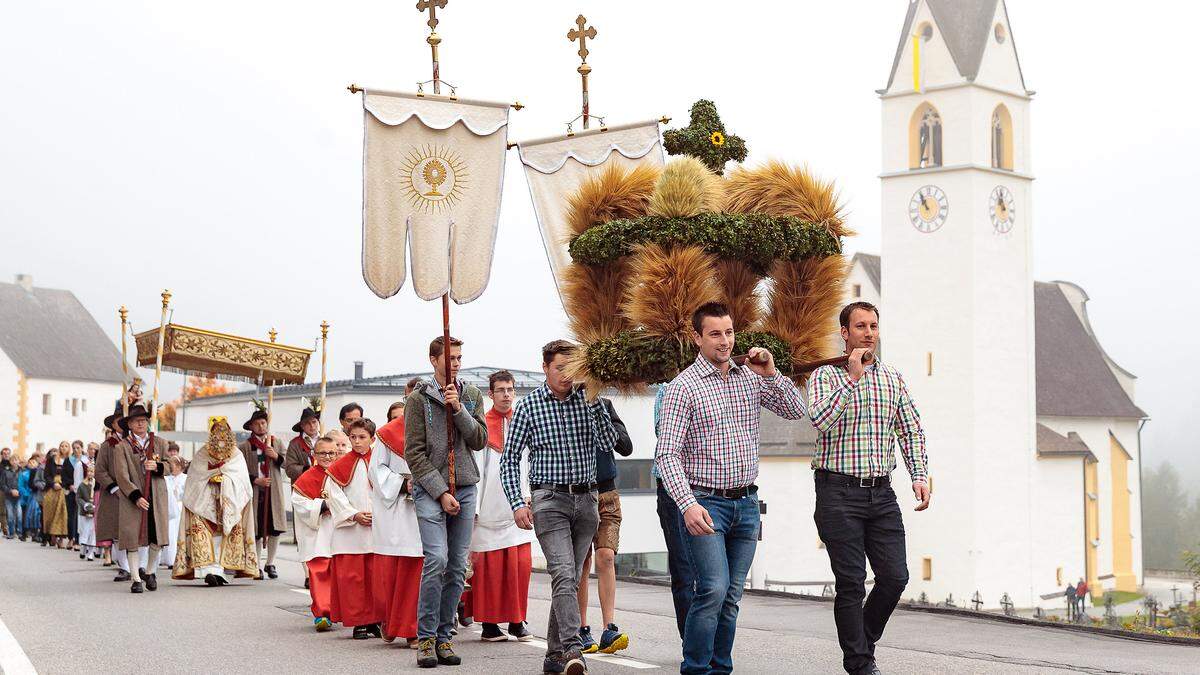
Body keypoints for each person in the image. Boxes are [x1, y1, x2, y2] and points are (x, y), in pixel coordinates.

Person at [657, 302, 807, 675]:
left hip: (747, 504)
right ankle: (695, 669)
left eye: (729, 333)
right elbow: (666, 455)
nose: (724, 342)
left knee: (731, 597)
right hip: (705, 503)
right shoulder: (682, 388)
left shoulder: (750, 378)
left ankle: (720, 669)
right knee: (712, 590)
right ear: (697, 337)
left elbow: (793, 411)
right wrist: (688, 505)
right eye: (714, 334)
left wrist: (771, 373)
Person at [808, 301, 929, 675]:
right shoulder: (825, 376)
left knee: (895, 577)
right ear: (844, 333)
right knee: (851, 582)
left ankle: (862, 637)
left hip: (881, 493)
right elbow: (819, 420)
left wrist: (919, 474)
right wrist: (853, 378)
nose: (868, 332)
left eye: (873, 326)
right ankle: (860, 663)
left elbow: (910, 429)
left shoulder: (892, 378)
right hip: (837, 492)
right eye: (860, 326)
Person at [503, 340, 618, 675]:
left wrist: (595, 400)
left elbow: (609, 444)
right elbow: (509, 460)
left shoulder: (589, 400)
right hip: (549, 500)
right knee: (564, 573)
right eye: (559, 369)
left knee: (567, 578)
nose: (566, 375)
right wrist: (516, 502)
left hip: (587, 501)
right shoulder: (528, 407)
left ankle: (553, 656)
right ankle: (572, 649)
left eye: (572, 369)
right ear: (545, 368)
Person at [404, 335, 488, 668]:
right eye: (450, 358)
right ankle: (424, 637)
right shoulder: (418, 399)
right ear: (433, 359)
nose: (456, 363)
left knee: (457, 566)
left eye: (459, 357)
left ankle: (444, 636)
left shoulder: (471, 394)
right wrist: (441, 492)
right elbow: (414, 452)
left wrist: (459, 410)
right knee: (436, 558)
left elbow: (480, 439)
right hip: (430, 489)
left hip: (466, 486)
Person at [468, 371, 534, 643]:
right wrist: (475, 506)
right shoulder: (482, 424)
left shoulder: (525, 421)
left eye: (510, 389)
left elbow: (532, 460)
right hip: (489, 505)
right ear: (490, 394)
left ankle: (517, 620)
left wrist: (531, 495)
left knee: (520, 565)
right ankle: (490, 624)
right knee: (490, 569)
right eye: (500, 390)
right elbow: (476, 467)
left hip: (519, 503)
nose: (506, 394)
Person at [576, 394, 633, 654]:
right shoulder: (567, 405)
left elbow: (626, 446)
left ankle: (609, 626)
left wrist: (601, 416)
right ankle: (581, 628)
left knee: (606, 557)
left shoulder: (606, 405)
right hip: (579, 493)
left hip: (607, 494)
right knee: (582, 562)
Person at [172, 416, 258, 585]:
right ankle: (208, 570)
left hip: (230, 501)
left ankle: (221, 571)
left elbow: (242, 481)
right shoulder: (202, 453)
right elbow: (195, 477)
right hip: (204, 502)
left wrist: (225, 480)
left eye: (223, 434)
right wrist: (210, 479)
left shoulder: (236, 455)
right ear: (211, 436)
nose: (220, 438)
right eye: (216, 434)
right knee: (207, 534)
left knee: (226, 534)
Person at [327, 418, 383, 639]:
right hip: (351, 531)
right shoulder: (339, 466)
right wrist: (353, 514)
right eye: (353, 437)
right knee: (354, 579)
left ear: (372, 438)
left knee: (375, 578)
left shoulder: (379, 463)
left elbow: (387, 491)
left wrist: (380, 515)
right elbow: (334, 495)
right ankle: (359, 621)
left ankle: (375, 620)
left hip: (377, 528)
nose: (357, 442)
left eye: (362, 437)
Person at [373, 408, 425, 645]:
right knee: (400, 571)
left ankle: (414, 628)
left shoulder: (437, 427)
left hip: (430, 506)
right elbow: (376, 470)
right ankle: (393, 621)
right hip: (398, 511)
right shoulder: (387, 434)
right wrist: (403, 484)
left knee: (422, 570)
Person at [112, 403, 172, 593]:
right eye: (136, 421)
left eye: (144, 420)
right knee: (133, 538)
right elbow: (121, 475)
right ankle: (136, 579)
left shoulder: (160, 443)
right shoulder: (123, 447)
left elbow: (171, 465)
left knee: (156, 537)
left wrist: (158, 467)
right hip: (134, 499)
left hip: (156, 495)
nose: (141, 423)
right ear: (129, 424)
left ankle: (150, 571)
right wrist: (135, 495)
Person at [652, 385, 694, 640]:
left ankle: (710, 638)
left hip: (709, 485)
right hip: (671, 487)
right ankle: (691, 640)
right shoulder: (666, 391)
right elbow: (665, 433)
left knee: (714, 576)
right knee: (683, 568)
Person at [292, 436, 342, 631]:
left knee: (340, 574)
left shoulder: (342, 473)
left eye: (331, 453)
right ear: (314, 455)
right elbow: (299, 503)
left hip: (340, 531)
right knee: (320, 573)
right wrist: (322, 505)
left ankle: (340, 611)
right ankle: (322, 613)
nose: (327, 457)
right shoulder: (307, 478)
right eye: (322, 453)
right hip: (319, 532)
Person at [238, 403, 287, 579]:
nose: (261, 426)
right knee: (256, 530)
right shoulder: (244, 446)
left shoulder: (276, 442)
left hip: (273, 492)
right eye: (257, 423)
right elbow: (238, 471)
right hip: (255, 492)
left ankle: (270, 563)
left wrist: (276, 456)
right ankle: (256, 564)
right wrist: (255, 480)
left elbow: (288, 464)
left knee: (275, 528)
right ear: (251, 426)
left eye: (264, 423)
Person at [95, 406, 128, 577]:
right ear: (113, 425)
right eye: (118, 421)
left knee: (132, 530)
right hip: (113, 493)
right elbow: (100, 471)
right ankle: (123, 566)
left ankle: (138, 566)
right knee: (116, 531)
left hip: (133, 492)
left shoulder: (134, 442)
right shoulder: (107, 446)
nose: (122, 424)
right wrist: (113, 487)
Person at [285, 401, 323, 484]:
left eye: (314, 422)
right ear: (302, 426)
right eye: (307, 423)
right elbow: (289, 469)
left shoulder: (325, 440)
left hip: (323, 484)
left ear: (318, 422)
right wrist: (307, 469)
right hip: (302, 485)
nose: (312, 426)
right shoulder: (295, 444)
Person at [42, 447, 69, 548]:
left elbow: (69, 476)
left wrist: (62, 485)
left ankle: (61, 538)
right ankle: (51, 535)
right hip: (52, 488)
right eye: (62, 446)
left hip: (63, 489)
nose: (63, 448)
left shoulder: (68, 461)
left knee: (62, 513)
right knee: (51, 512)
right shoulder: (51, 460)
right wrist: (53, 484)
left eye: (66, 446)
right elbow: (46, 475)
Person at [162, 455, 185, 569]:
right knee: (170, 534)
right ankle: (170, 559)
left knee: (180, 533)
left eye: (173, 465)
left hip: (181, 507)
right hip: (170, 508)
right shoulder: (167, 479)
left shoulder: (185, 478)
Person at [66, 440, 85, 550]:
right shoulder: (69, 461)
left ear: (82, 448)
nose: (76, 450)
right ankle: (70, 538)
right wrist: (70, 485)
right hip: (71, 491)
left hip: (83, 492)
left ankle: (79, 540)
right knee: (71, 515)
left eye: (78, 448)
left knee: (80, 516)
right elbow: (65, 475)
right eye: (74, 448)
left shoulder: (85, 461)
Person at [19, 456, 42, 542]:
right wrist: (26, 494)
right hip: (26, 498)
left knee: (36, 515)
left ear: (37, 463)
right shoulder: (23, 474)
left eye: (33, 462)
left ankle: (35, 534)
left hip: (36, 497)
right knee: (26, 516)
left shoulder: (39, 472)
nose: (31, 464)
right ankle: (24, 533)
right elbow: (20, 486)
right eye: (30, 462)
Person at [78, 464, 97, 560]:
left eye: (92, 471)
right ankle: (83, 548)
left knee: (92, 532)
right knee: (84, 531)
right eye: (88, 471)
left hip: (95, 512)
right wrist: (85, 505)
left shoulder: (97, 485)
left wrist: (96, 506)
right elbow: (79, 498)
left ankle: (91, 552)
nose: (90, 473)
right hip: (84, 512)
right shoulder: (82, 485)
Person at [1, 447, 20, 539]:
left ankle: (18, 531)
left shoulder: (19, 469)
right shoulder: (3, 468)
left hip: (17, 494)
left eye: (8, 453)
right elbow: (2, 482)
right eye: (4, 453)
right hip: (5, 492)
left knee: (17, 513)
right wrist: (9, 490)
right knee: (7, 512)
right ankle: (8, 530)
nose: (6, 455)